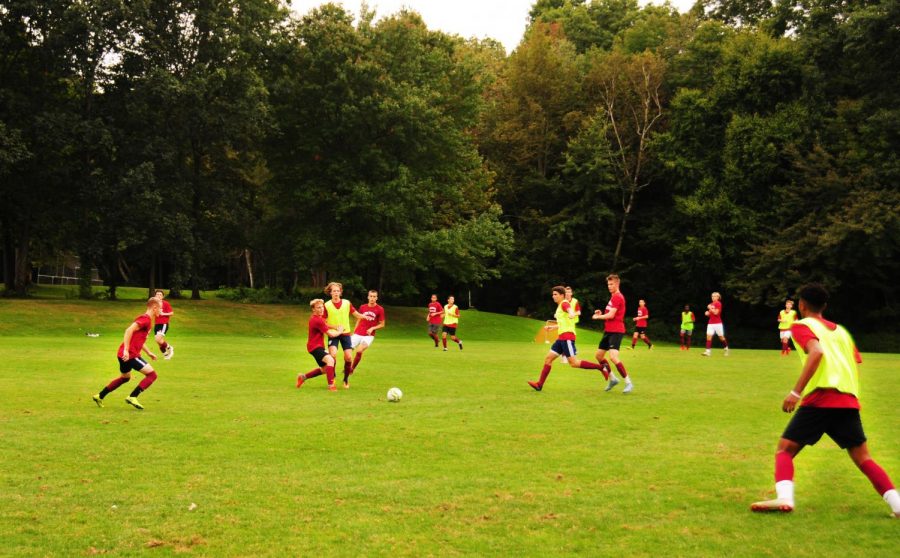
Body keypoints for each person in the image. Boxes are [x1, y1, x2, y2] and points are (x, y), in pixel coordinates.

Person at [750, 284, 900, 518]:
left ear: (801, 305)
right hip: (848, 401)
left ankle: (785, 498)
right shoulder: (841, 332)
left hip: (820, 398)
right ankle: (898, 505)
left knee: (784, 450)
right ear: (825, 306)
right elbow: (854, 363)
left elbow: (816, 352)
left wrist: (796, 392)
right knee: (863, 458)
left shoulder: (801, 325)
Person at [528, 286, 607, 391]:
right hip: (561, 338)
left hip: (567, 337)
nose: (553, 296)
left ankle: (601, 367)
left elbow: (569, 310)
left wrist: (571, 313)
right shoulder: (560, 305)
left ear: (562, 295)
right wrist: (553, 327)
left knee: (574, 363)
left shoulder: (564, 303)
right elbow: (563, 323)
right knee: (548, 359)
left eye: (555, 294)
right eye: (553, 294)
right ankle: (539, 385)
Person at [92, 297, 162, 410]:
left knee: (125, 377)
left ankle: (99, 396)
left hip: (123, 354)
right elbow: (128, 331)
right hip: (130, 354)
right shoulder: (145, 319)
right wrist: (126, 349)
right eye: (160, 308)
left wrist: (149, 352)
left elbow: (138, 339)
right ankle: (132, 396)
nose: (161, 311)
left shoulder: (147, 321)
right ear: (154, 308)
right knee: (152, 375)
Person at [592, 274, 633, 393]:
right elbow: (609, 312)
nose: (609, 286)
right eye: (608, 284)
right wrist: (601, 313)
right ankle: (613, 379)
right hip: (608, 331)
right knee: (599, 356)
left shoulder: (617, 297)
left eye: (611, 284)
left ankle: (628, 383)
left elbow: (611, 315)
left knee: (613, 357)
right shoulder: (613, 297)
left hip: (616, 331)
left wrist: (597, 317)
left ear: (617, 284)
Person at [322, 282, 366, 384]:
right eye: (334, 291)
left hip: (346, 333)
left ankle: (346, 379)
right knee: (332, 354)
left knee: (348, 357)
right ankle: (332, 377)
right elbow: (323, 322)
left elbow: (356, 314)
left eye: (338, 291)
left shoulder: (347, 303)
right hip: (333, 334)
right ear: (330, 292)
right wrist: (335, 327)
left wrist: (364, 316)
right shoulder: (326, 305)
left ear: (341, 292)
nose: (336, 293)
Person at [296, 298, 343, 391]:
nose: (321, 309)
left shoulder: (317, 318)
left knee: (325, 369)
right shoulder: (317, 320)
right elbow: (330, 334)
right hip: (315, 347)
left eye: (322, 307)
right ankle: (331, 386)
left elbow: (325, 325)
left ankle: (303, 377)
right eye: (318, 307)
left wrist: (334, 326)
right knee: (331, 360)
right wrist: (340, 331)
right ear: (313, 309)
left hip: (314, 347)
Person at [347, 289, 386, 387]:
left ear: (377, 298)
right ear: (368, 297)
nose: (372, 298)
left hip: (369, 335)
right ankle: (347, 369)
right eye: (371, 296)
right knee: (347, 351)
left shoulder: (380, 309)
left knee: (359, 350)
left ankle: (352, 369)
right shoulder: (362, 307)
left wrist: (373, 328)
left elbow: (382, 324)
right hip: (358, 333)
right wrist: (354, 332)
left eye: (374, 296)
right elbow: (359, 319)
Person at [701, 292, 729, 357]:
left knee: (721, 337)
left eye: (714, 296)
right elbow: (711, 313)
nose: (713, 297)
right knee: (708, 336)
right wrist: (707, 313)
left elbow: (716, 313)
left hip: (718, 323)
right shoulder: (711, 304)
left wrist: (710, 308)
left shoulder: (718, 303)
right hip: (710, 323)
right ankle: (708, 352)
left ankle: (726, 348)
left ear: (718, 297)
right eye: (712, 296)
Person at [153, 289, 174, 359]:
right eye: (157, 294)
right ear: (155, 296)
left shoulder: (166, 303)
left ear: (162, 296)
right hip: (156, 324)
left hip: (163, 324)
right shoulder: (154, 304)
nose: (158, 296)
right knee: (158, 341)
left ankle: (170, 347)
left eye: (160, 295)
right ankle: (165, 354)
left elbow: (171, 313)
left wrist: (163, 313)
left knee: (158, 339)